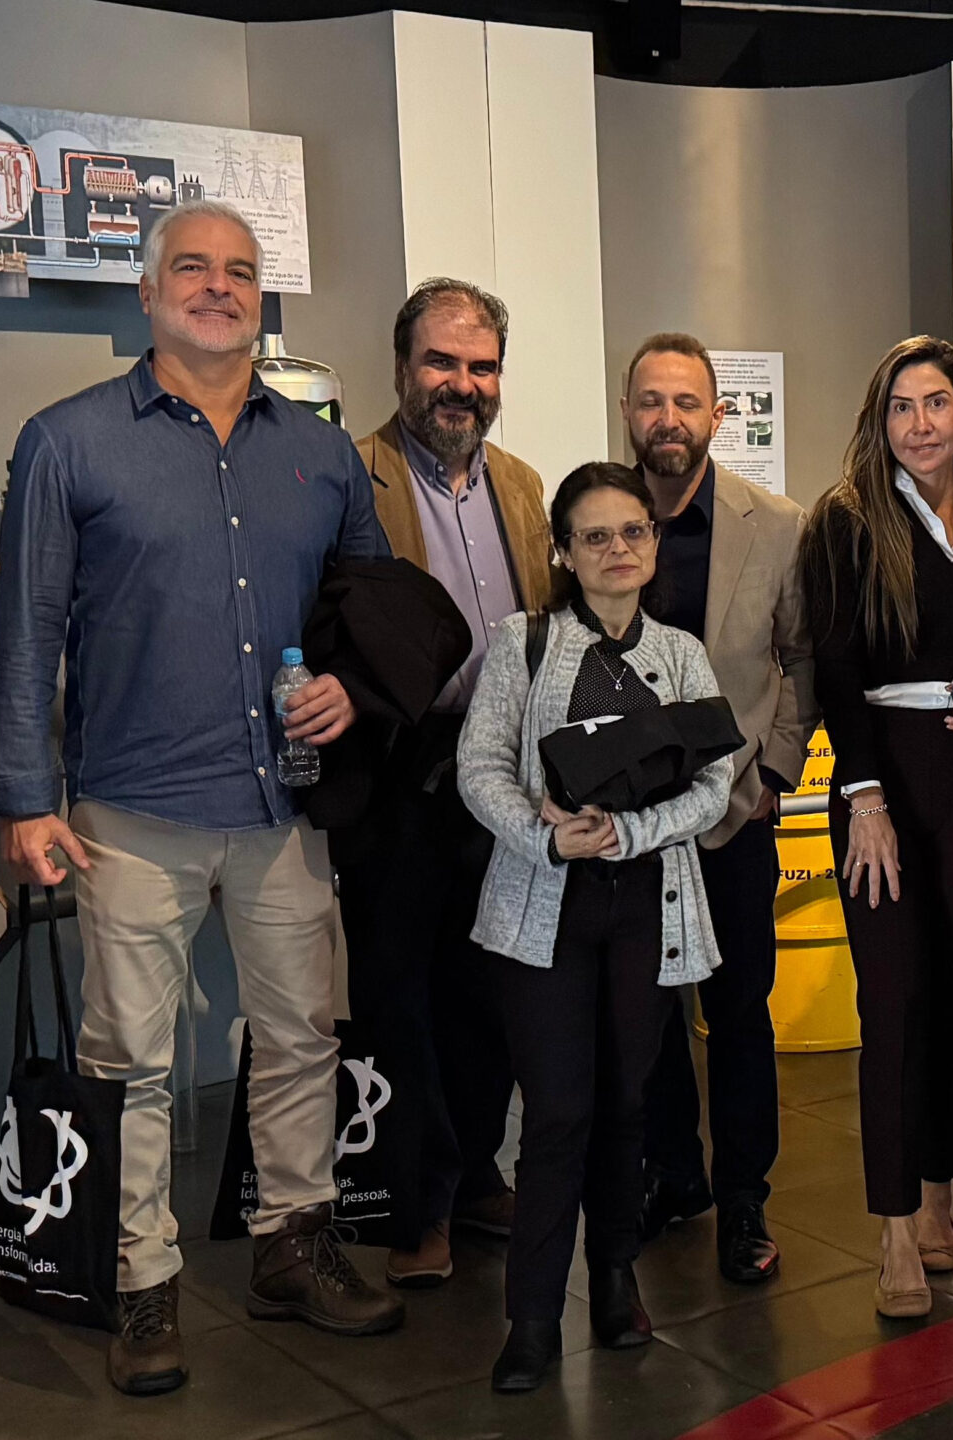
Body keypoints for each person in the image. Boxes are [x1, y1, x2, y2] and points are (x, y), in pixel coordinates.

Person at [0, 199, 404, 1398]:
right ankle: (139, 1280)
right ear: (147, 291)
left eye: (241, 272)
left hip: (284, 809)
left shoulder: (321, 452)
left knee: (302, 1036)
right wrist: (25, 799)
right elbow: (27, 634)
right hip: (134, 808)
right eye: (193, 268)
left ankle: (293, 1245)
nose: (219, 287)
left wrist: (353, 686)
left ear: (262, 297)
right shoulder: (67, 442)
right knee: (129, 1058)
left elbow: (368, 610)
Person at [458, 463, 736, 1392]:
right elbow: (480, 767)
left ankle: (616, 1281)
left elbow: (714, 784)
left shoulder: (682, 653)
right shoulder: (524, 642)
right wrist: (546, 836)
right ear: (564, 552)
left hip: (648, 905)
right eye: (596, 536)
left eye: (634, 532)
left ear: (654, 543)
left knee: (625, 1102)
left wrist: (630, 832)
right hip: (546, 907)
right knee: (557, 1112)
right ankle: (533, 1317)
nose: (619, 550)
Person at [799, 337, 953, 1318]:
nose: (920, 424)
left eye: (937, 403)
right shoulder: (849, 520)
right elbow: (834, 669)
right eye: (901, 407)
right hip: (881, 782)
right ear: (879, 420)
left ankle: (938, 1192)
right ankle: (893, 1228)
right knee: (892, 1001)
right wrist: (864, 800)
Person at [341, 278, 549, 1287]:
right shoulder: (352, 474)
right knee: (400, 993)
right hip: (398, 768)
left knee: (489, 988)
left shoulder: (523, 484)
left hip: (501, 766)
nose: (462, 385)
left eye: (481, 366)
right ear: (402, 368)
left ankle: (474, 1177)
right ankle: (415, 1205)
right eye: (442, 362)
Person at [629, 332, 817, 1285]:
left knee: (738, 1014)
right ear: (629, 413)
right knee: (646, 1016)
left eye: (686, 402)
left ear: (716, 414)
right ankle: (673, 1175)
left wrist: (775, 774)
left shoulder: (776, 525)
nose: (669, 419)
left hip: (732, 816)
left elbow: (802, 659)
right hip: (626, 826)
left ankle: (744, 1198)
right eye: (651, 401)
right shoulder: (598, 518)